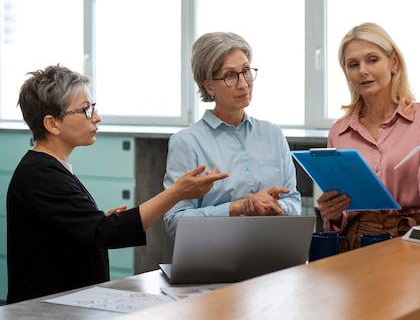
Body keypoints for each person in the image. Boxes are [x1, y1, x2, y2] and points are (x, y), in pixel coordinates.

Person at [6, 64, 229, 304]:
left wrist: (96, 221)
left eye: (93, 107)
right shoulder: (40, 175)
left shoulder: (49, 169)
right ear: (52, 124)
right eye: (85, 110)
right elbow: (104, 233)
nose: (96, 117)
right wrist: (175, 194)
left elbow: (82, 230)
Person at [316, 22, 420, 250]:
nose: (363, 70)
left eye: (372, 60)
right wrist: (333, 214)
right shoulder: (339, 131)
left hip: (411, 241)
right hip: (355, 245)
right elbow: (338, 219)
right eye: (353, 64)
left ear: (393, 62)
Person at [162, 32, 301, 237]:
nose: (243, 83)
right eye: (230, 76)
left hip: (273, 249)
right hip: (216, 256)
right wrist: (236, 208)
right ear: (209, 86)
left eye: (245, 71)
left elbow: (295, 203)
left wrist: (275, 207)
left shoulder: (273, 134)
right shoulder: (187, 142)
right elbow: (175, 222)